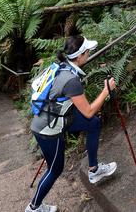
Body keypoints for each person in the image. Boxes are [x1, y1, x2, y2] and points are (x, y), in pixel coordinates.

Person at [26, 36, 117, 212]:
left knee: (93, 124)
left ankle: (94, 170)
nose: (90, 53)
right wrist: (106, 91)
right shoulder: (72, 81)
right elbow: (88, 110)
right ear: (81, 55)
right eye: (87, 51)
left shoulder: (62, 67)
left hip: (55, 116)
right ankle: (34, 207)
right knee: (55, 169)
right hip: (49, 128)